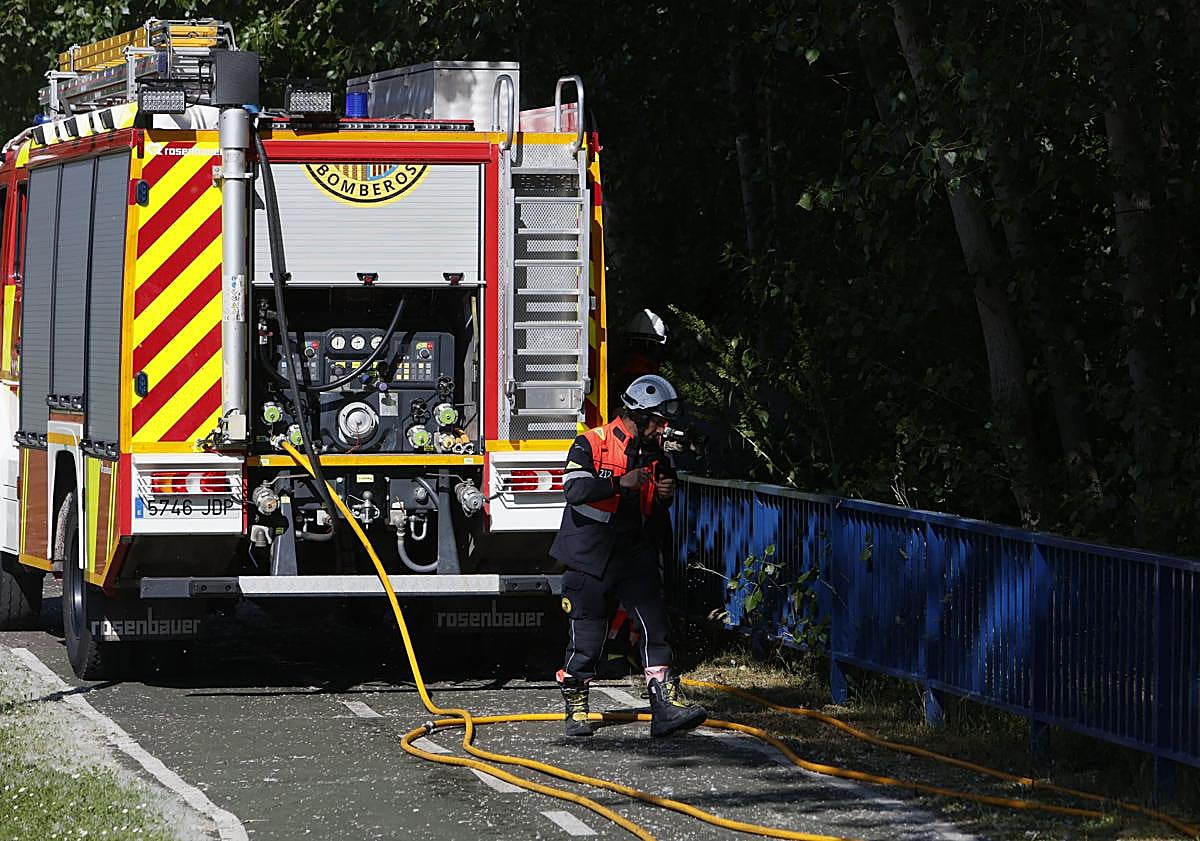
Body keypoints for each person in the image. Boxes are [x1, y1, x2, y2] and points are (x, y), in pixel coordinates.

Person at [551, 374, 708, 738]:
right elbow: (574, 490)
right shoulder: (591, 443)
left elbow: (657, 503)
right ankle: (576, 706)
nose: (662, 429)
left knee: (655, 627)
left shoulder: (658, 454)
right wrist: (619, 483)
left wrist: (666, 493)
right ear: (637, 415)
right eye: (657, 421)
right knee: (588, 638)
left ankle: (664, 707)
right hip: (590, 556)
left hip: (635, 553)